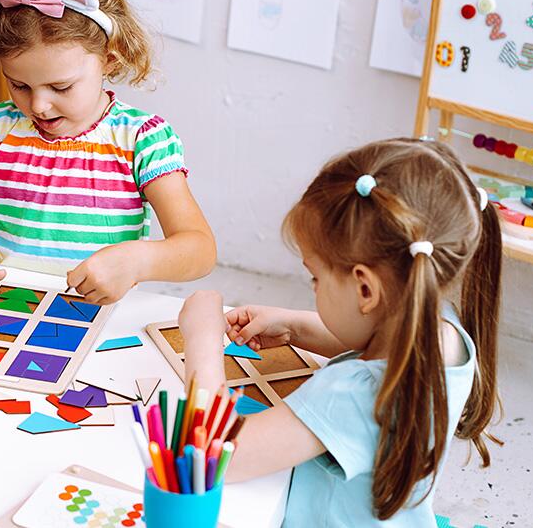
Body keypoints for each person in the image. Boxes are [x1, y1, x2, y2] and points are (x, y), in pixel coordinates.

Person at [180, 138, 502, 526]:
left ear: (365, 290)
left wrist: (200, 338)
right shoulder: (443, 331)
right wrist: (295, 326)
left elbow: (214, 457)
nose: (313, 287)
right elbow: (384, 347)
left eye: (315, 278)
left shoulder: (351, 394)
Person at [0, 0, 216, 316]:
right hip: (6, 311)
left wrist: (139, 260)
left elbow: (200, 249)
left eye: (61, 87)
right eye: (19, 85)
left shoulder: (142, 140)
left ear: (109, 59)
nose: (39, 105)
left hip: (100, 317)